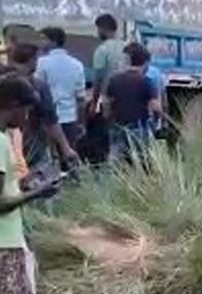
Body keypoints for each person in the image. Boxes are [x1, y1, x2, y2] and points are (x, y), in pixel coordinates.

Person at [0, 74, 59, 294]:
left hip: (10, 242)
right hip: (3, 246)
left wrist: (27, 182)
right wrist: (37, 194)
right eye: (24, 110)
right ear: (11, 106)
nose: (27, 118)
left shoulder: (5, 140)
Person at [12, 42, 77, 182]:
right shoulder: (38, 85)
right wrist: (65, 148)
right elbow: (50, 120)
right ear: (32, 60)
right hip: (34, 140)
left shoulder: (5, 80)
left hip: (10, 142)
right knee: (38, 180)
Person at [103, 43, 162, 164]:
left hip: (117, 126)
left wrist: (109, 117)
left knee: (117, 164)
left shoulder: (114, 80)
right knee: (141, 163)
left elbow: (106, 104)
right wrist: (155, 123)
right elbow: (156, 108)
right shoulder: (146, 82)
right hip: (139, 128)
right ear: (145, 62)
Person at [35, 27, 87, 157]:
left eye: (43, 39)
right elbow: (80, 98)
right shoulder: (77, 65)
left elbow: (37, 89)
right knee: (68, 157)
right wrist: (81, 122)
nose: (40, 43)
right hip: (70, 118)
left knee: (48, 160)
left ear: (53, 41)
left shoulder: (41, 63)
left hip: (46, 120)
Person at [86, 14, 127, 165]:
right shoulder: (126, 46)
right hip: (127, 96)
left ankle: (111, 165)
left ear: (103, 29)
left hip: (109, 99)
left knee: (110, 134)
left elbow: (98, 80)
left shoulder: (102, 50)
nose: (97, 33)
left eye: (98, 29)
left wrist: (94, 103)